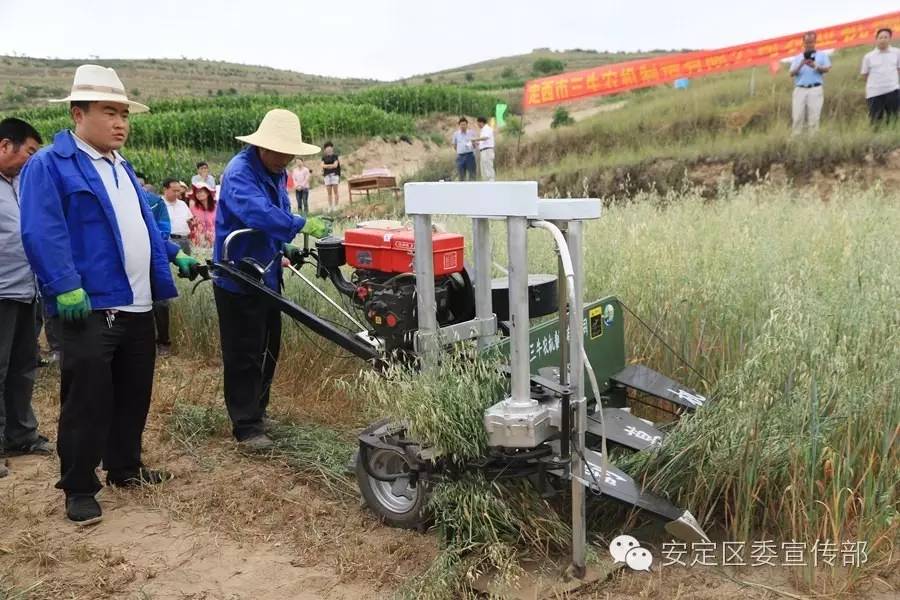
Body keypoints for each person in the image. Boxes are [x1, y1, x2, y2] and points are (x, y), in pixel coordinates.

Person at [18, 64, 199, 525]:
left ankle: (124, 466)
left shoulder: (121, 166)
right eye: (109, 112)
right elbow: (42, 231)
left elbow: (139, 225)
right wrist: (64, 286)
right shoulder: (50, 165)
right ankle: (79, 486)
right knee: (87, 399)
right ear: (78, 114)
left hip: (138, 302)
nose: (121, 123)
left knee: (133, 392)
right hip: (91, 305)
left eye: (124, 113)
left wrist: (172, 256)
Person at [214, 109, 330, 451]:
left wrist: (284, 247)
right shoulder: (240, 173)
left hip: (266, 272)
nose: (285, 158)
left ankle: (258, 411)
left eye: (289, 152)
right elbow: (257, 213)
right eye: (279, 151)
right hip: (238, 276)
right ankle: (245, 425)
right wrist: (299, 225)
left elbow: (274, 213)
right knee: (243, 352)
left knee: (267, 348)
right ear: (262, 146)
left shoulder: (275, 171)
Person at [0, 118, 52, 480]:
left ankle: (20, 435)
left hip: (26, 290)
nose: (32, 160)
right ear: (6, 146)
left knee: (22, 367)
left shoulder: (20, 183)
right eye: (29, 152)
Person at [789, 32, 832, 135]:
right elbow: (791, 73)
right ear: (803, 42)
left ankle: (813, 140)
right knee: (798, 116)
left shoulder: (822, 55)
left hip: (815, 88)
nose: (809, 45)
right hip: (800, 89)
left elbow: (827, 68)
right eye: (807, 42)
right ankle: (796, 140)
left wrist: (815, 66)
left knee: (814, 117)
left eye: (811, 42)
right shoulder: (798, 57)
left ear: (815, 42)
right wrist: (801, 65)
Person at [861, 28, 900, 125]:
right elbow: (865, 75)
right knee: (875, 121)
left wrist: (892, 82)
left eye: (885, 37)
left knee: (894, 119)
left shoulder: (897, 52)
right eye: (880, 37)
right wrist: (876, 83)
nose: (883, 40)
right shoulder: (868, 56)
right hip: (874, 93)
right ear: (876, 39)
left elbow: (898, 69)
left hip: (893, 91)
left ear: (890, 39)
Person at [189, 182, 216, 248]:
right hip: (198, 242)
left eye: (201, 192)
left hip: (214, 241)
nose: (198, 194)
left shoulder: (216, 207)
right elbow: (191, 225)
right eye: (197, 192)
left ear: (208, 193)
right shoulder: (193, 209)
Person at [471, 116, 496, 181]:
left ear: (481, 122)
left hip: (487, 151)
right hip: (483, 151)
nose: (477, 125)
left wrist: (475, 139)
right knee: (483, 169)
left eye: (478, 123)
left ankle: (491, 184)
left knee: (488, 168)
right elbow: (484, 141)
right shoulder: (483, 130)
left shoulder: (487, 128)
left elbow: (486, 137)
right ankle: (485, 184)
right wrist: (477, 143)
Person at [321, 142, 340, 212]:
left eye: (329, 147)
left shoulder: (335, 156)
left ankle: (336, 205)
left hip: (334, 174)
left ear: (332, 148)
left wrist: (327, 166)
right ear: (325, 149)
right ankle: (330, 206)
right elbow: (322, 165)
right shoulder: (323, 157)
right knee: (329, 192)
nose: (328, 148)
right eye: (326, 147)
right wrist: (331, 166)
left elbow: (335, 165)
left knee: (335, 191)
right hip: (327, 176)